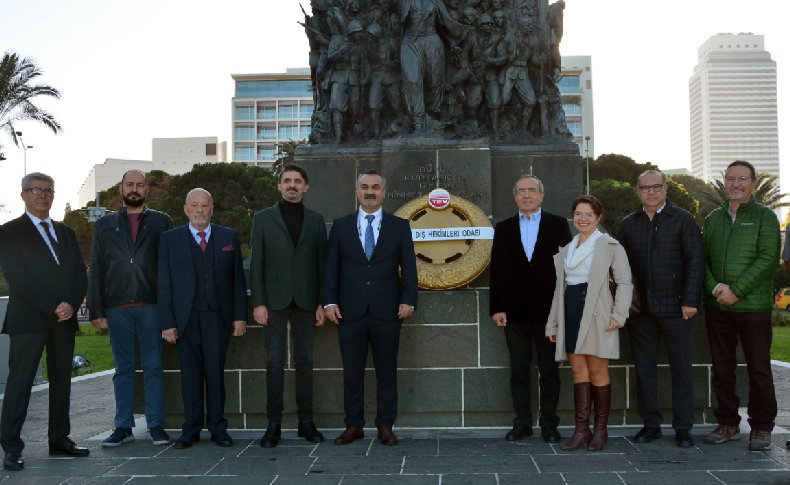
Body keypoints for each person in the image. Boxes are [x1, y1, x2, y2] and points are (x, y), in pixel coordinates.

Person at [0, 173, 90, 471]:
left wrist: (71, 305)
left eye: (48, 191)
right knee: (20, 384)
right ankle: (12, 447)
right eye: (36, 190)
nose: (43, 195)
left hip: (63, 321)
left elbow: (80, 274)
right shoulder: (9, 232)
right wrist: (53, 306)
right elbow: (18, 278)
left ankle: (59, 439)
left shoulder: (65, 232)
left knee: (62, 381)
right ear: (24, 195)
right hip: (28, 319)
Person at [323, 170, 418, 446]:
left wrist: (408, 299)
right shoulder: (340, 226)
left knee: (386, 371)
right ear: (357, 191)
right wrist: (329, 301)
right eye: (364, 187)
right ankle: (353, 425)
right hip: (349, 311)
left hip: (388, 310)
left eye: (376, 187)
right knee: (352, 372)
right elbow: (331, 267)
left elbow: (409, 268)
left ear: (384, 192)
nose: (370, 191)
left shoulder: (399, 226)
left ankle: (385, 425)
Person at [617, 170, 705, 448]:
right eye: (645, 188)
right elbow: (620, 269)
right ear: (639, 191)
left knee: (681, 371)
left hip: (677, 309)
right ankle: (650, 425)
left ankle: (683, 428)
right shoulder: (628, 224)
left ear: (666, 189)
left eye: (656, 187)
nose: (651, 192)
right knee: (645, 371)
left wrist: (690, 300)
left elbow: (695, 262)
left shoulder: (683, 219)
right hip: (640, 313)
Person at [88, 170, 173, 448]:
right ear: (121, 188)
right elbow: (97, 269)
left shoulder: (162, 222)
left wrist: (169, 309)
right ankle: (123, 426)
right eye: (129, 185)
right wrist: (96, 309)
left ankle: (156, 425)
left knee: (153, 367)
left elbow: (170, 267)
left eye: (140, 185)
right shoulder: (104, 225)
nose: (134, 189)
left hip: (152, 306)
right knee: (123, 369)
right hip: (117, 307)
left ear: (147, 190)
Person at [158, 189, 248, 449]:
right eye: (194, 205)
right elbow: (164, 285)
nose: (200, 210)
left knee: (216, 375)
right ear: (185, 209)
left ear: (212, 209)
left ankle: (218, 428)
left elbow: (237, 282)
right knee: (190, 376)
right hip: (185, 321)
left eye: (204, 206)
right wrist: (168, 323)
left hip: (218, 319)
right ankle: (191, 429)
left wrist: (239, 317)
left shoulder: (228, 236)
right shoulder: (169, 239)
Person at [702, 160, 780, 451]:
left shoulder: (765, 217)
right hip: (717, 306)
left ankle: (761, 427)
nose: (736, 183)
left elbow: (768, 260)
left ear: (753, 183)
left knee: (759, 369)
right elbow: (703, 260)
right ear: (725, 182)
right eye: (731, 178)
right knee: (722, 368)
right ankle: (728, 424)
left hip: (753, 307)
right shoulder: (712, 219)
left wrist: (736, 290)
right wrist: (715, 288)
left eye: (742, 178)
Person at [546, 195, 632, 452]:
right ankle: (582, 430)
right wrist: (554, 324)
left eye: (588, 214)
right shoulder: (567, 248)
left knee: (597, 373)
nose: (582, 219)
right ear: (573, 217)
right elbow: (558, 289)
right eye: (578, 214)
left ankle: (600, 431)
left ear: (598, 217)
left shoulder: (609, 245)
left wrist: (618, 314)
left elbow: (625, 282)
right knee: (578, 373)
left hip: (598, 312)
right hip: (570, 310)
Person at [250, 164, 328, 448]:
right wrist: (258, 302)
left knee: (305, 362)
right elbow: (256, 262)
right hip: (274, 302)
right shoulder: (262, 218)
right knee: (274, 363)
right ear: (280, 186)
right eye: (287, 181)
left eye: (297, 181)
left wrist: (321, 301)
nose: (292, 185)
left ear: (306, 187)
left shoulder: (317, 220)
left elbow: (323, 264)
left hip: (308, 301)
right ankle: (274, 425)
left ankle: (306, 422)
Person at [489, 174, 571, 443]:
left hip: (550, 313)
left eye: (532, 190)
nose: (527, 195)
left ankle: (549, 425)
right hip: (514, 314)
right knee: (519, 371)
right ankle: (522, 423)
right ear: (515, 197)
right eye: (521, 191)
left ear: (542, 195)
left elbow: (569, 269)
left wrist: (564, 311)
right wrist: (496, 308)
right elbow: (497, 270)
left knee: (549, 372)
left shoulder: (558, 225)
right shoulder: (503, 228)